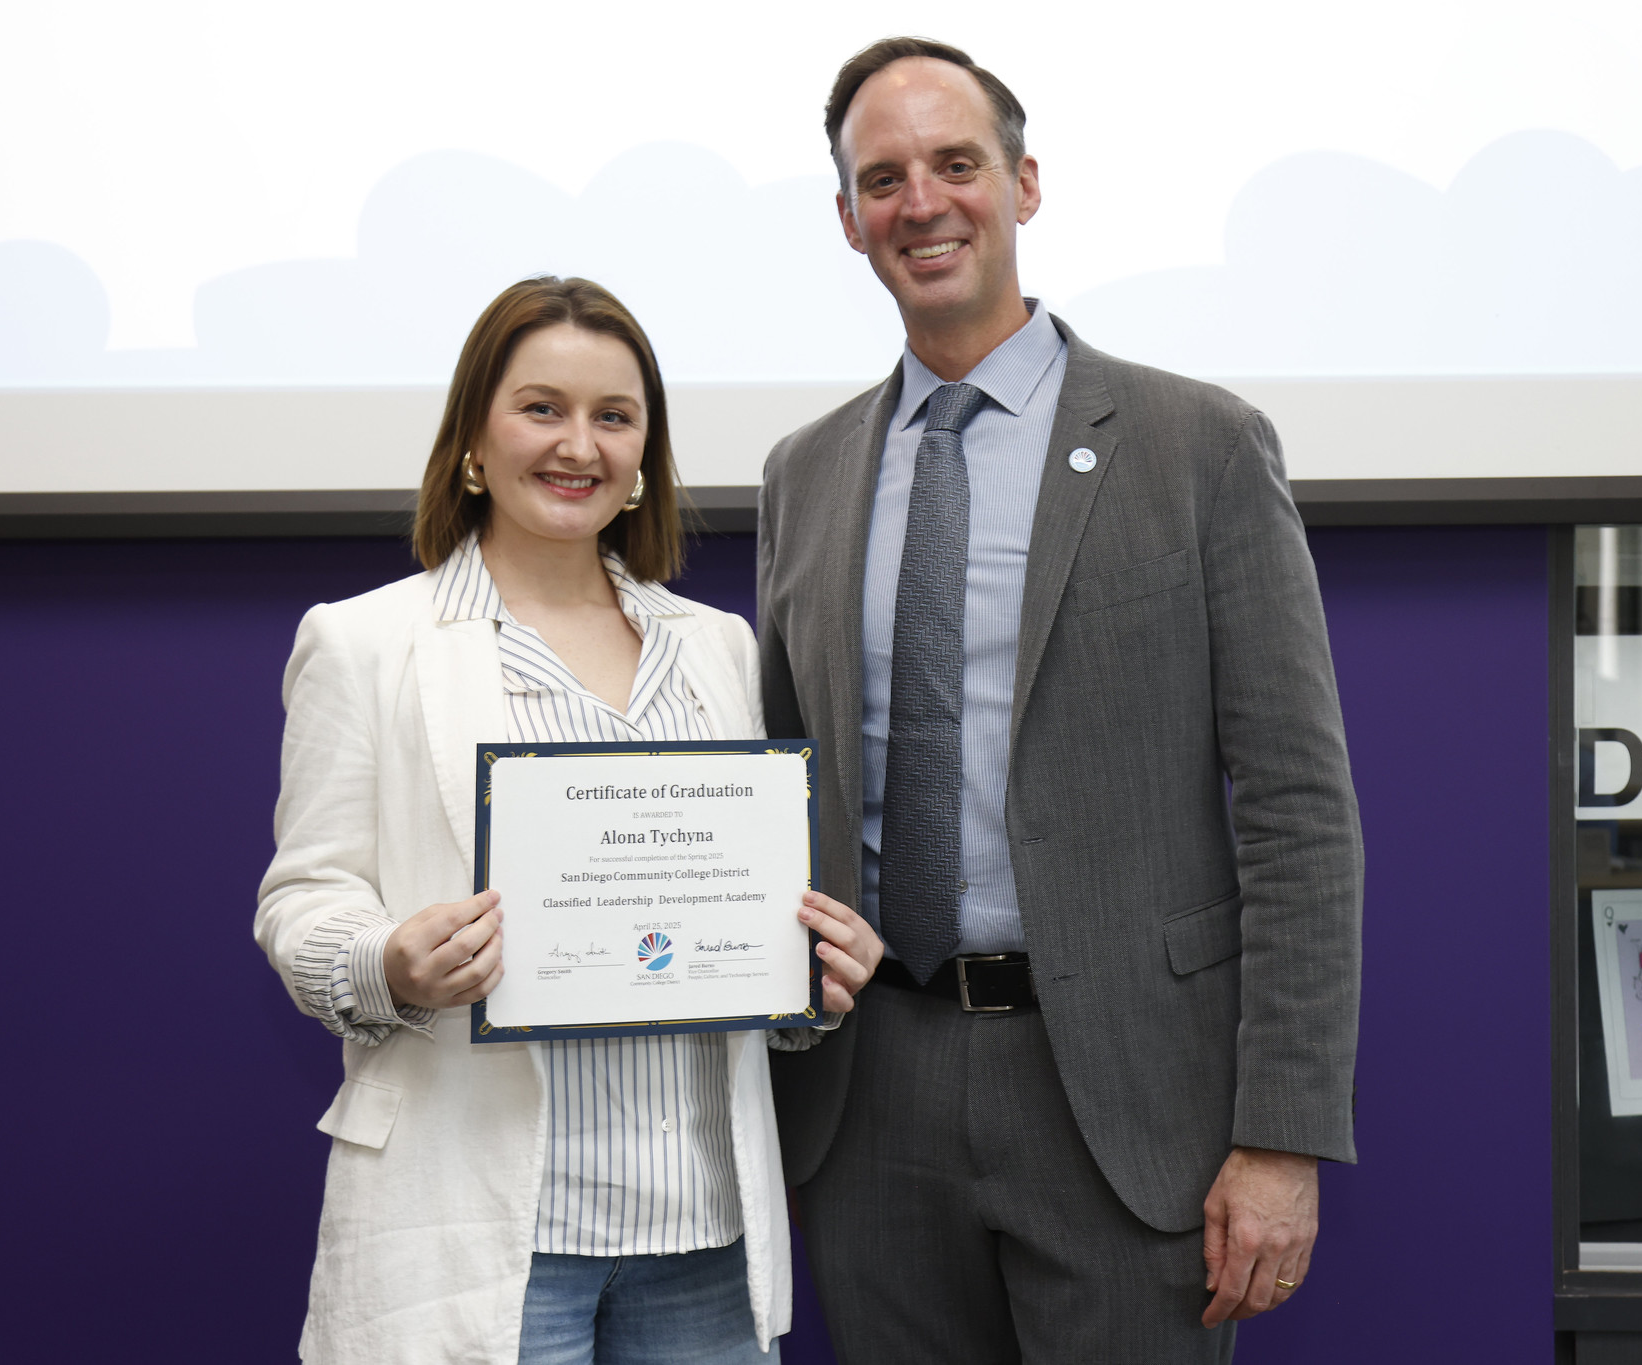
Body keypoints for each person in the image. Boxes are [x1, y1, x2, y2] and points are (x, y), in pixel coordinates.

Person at [757, 38, 1363, 1363]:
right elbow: (778, 791)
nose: (923, 203)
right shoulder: (803, 476)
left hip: (1126, 1101)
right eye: (884, 178)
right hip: (873, 1103)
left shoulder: (1198, 446)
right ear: (849, 218)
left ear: (1025, 185)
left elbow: (1299, 814)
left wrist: (1282, 1133)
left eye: (956, 165)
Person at [257, 276, 882, 1365]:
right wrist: (388, 964)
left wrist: (805, 981)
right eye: (540, 407)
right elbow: (301, 900)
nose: (577, 444)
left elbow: (738, 907)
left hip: (702, 1234)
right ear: (473, 440)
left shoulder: (717, 647)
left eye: (613, 416)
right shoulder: (365, 644)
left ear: (645, 455)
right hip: (487, 1228)